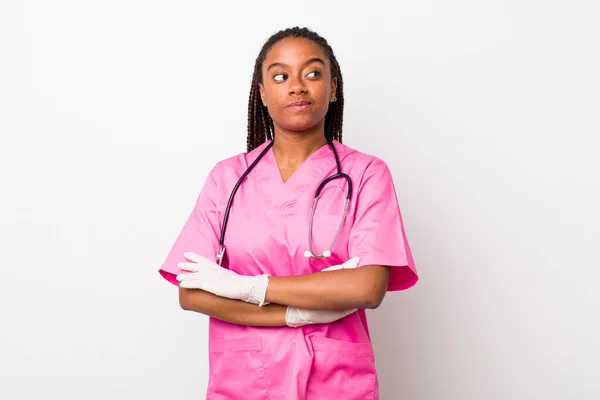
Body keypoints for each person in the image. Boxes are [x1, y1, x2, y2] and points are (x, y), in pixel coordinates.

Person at [158, 26, 418, 400]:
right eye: (280, 76)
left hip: (335, 381)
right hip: (244, 381)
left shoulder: (365, 174)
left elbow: (366, 286)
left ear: (332, 87)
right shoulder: (226, 178)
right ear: (263, 94)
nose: (297, 86)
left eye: (312, 73)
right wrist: (296, 314)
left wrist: (246, 287)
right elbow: (192, 292)